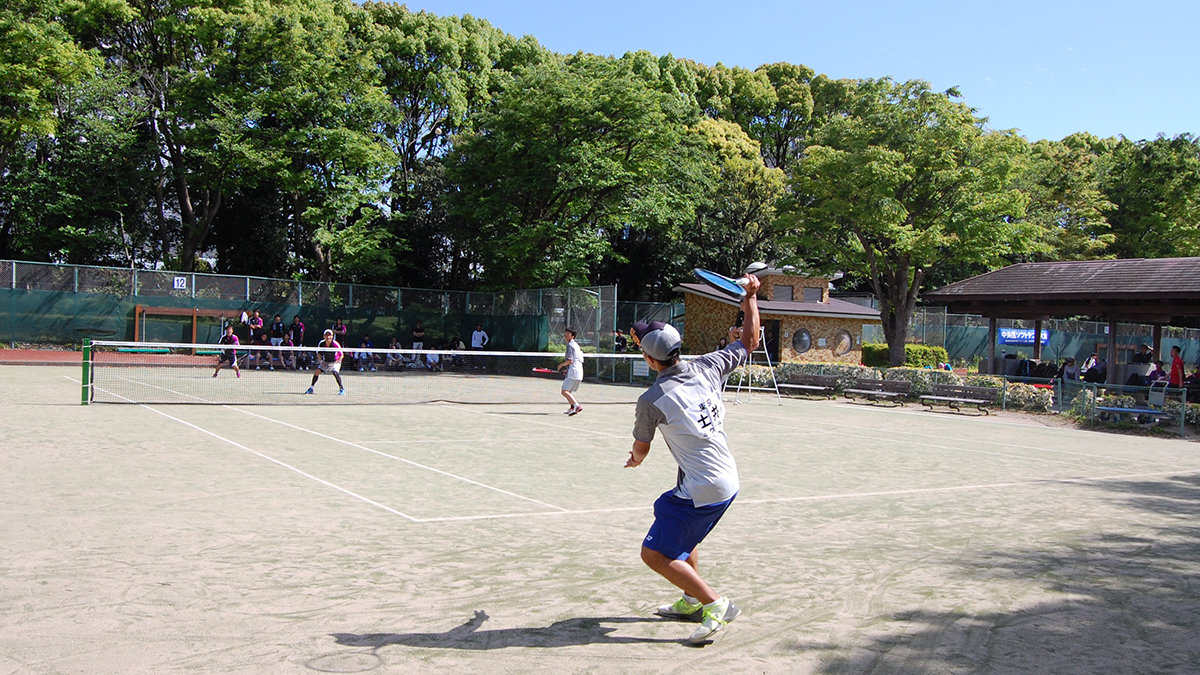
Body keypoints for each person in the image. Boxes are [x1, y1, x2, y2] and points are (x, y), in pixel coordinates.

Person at [625, 273, 761, 646]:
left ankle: (716, 604)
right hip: (724, 478)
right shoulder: (708, 366)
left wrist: (635, 460)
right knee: (680, 528)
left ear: (648, 358)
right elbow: (750, 340)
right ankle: (690, 600)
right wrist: (750, 297)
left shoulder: (651, 399)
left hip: (705, 485)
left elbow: (642, 446)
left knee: (653, 553)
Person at [306, 329, 344, 395]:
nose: (328, 337)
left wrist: (335, 363)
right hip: (326, 361)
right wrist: (321, 361)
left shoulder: (335, 344)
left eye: (330, 335)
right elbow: (319, 353)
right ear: (324, 336)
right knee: (317, 371)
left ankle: (342, 389)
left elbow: (341, 355)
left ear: (332, 336)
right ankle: (311, 388)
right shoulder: (321, 343)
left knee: (335, 372)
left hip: (335, 361)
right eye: (326, 335)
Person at [558, 328, 585, 415]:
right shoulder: (576, 345)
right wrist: (567, 369)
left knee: (564, 391)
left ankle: (577, 406)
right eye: (565, 333)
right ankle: (572, 407)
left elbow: (570, 360)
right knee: (568, 391)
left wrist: (561, 365)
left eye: (568, 333)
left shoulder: (570, 345)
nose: (566, 334)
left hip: (574, 372)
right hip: (577, 371)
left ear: (572, 336)